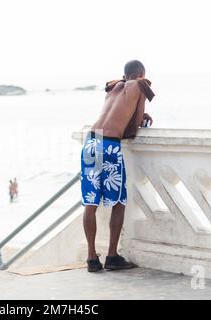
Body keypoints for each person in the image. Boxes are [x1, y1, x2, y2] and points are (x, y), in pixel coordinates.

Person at [81, 60, 154, 272]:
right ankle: (112, 256)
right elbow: (136, 122)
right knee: (119, 202)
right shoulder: (141, 85)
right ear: (140, 74)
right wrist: (144, 116)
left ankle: (92, 259)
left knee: (91, 203)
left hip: (92, 142)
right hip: (110, 145)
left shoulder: (113, 87)